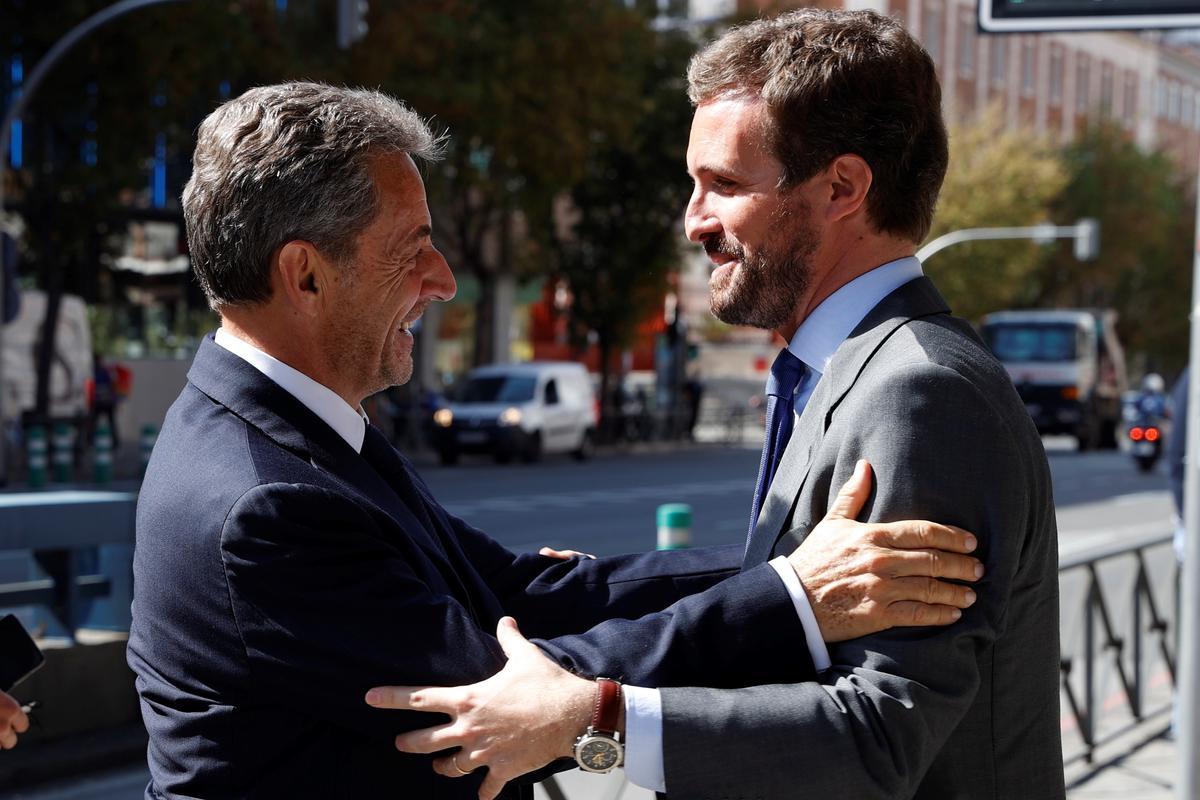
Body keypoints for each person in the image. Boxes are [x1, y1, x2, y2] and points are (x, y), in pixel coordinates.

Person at [128, 82, 981, 799]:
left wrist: (782, 561)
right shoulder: (262, 502)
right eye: (412, 248)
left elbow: (517, 592)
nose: (443, 281)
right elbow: (502, 693)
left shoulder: (294, 433)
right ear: (305, 274)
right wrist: (794, 597)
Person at [369, 10, 1064, 800]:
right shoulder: (839, 369)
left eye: (723, 185)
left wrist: (595, 720)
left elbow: (879, 737)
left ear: (843, 187)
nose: (693, 220)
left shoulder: (919, 392)